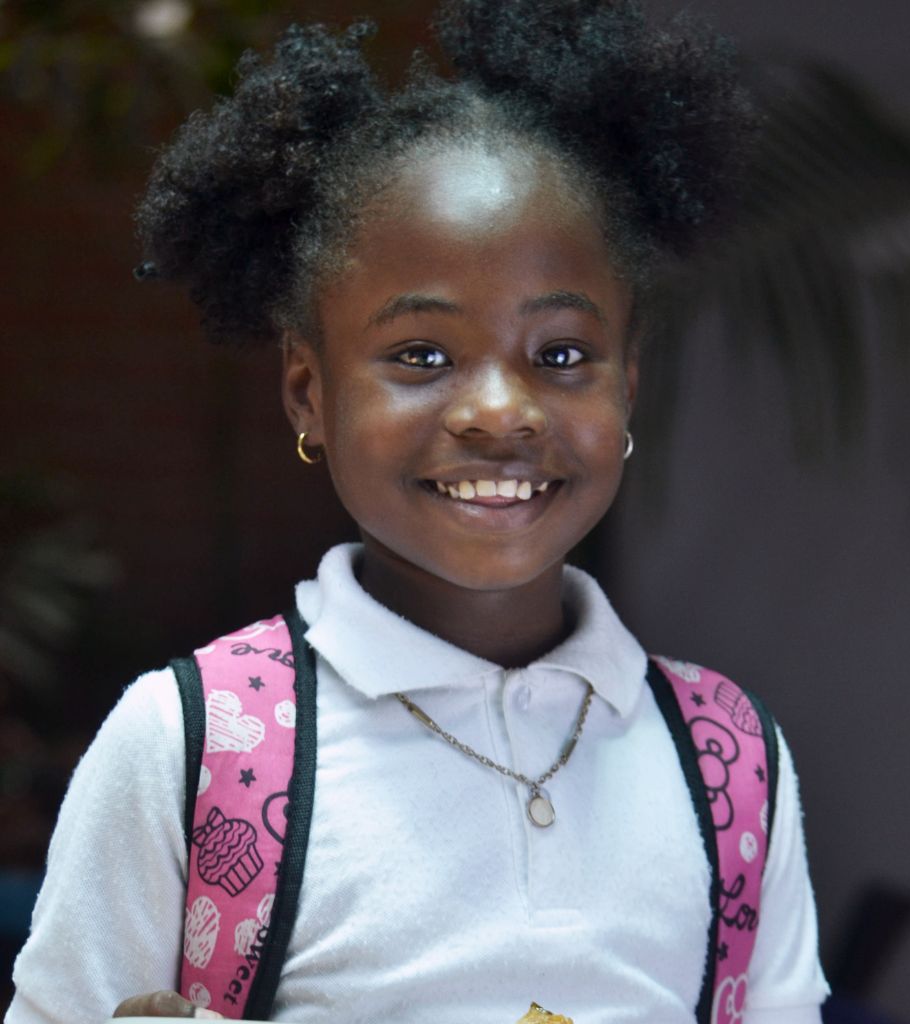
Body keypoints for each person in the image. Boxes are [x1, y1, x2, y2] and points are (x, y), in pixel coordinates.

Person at [6, 2, 829, 1022]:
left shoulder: (727, 757)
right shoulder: (197, 744)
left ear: (628, 381)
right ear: (308, 392)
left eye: (561, 354)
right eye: (421, 357)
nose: (499, 411)